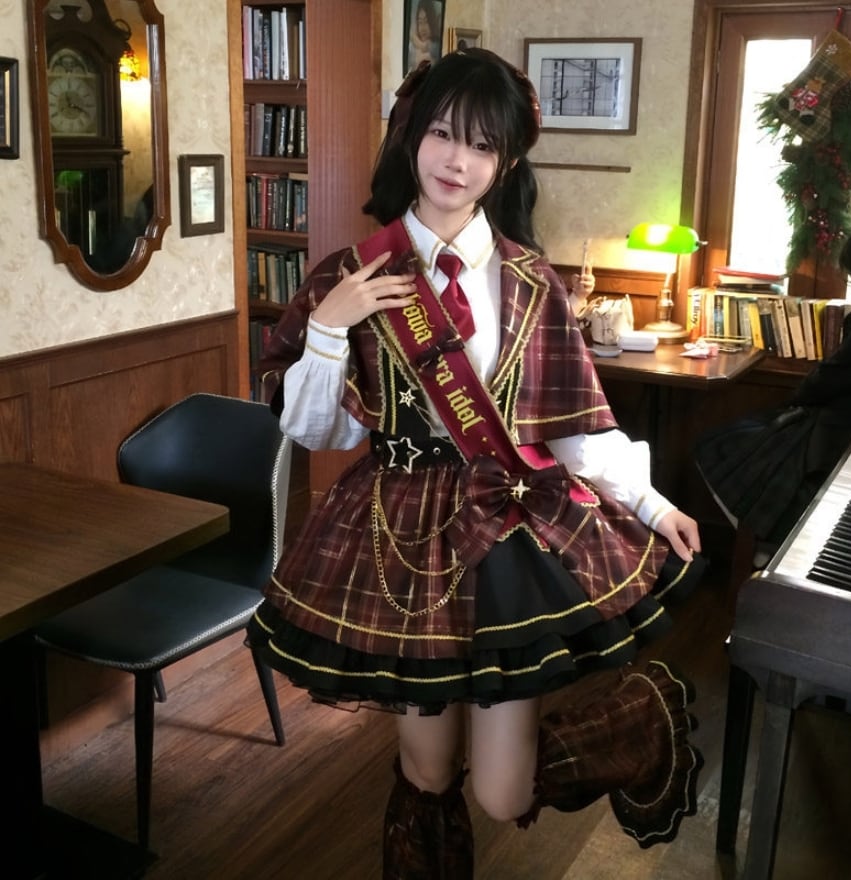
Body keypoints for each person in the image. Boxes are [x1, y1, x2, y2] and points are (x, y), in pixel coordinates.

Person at [248, 48, 706, 879]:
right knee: (426, 776)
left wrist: (650, 505)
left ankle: (639, 720)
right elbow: (318, 434)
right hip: (396, 539)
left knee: (501, 792)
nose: (457, 160)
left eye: (483, 145)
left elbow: (575, 426)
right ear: (411, 136)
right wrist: (328, 327)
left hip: (507, 529)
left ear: (508, 162)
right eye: (443, 134)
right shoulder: (349, 275)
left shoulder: (532, 282)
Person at [695, 221, 851, 555]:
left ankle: (766, 541)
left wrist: (796, 398)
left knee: (720, 445)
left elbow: (827, 381)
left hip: (841, 435)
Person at [407, 0, 441, 71]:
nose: (423, 28)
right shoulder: (411, 47)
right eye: (420, 22)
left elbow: (427, 47)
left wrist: (417, 42)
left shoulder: (437, 45)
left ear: (432, 22)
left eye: (426, 22)